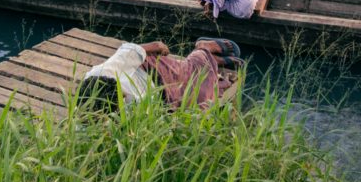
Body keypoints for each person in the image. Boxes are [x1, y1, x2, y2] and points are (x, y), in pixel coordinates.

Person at [76, 37, 242, 111]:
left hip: (153, 72)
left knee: (191, 71)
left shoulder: (107, 70)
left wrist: (158, 47)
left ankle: (203, 49)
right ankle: (212, 62)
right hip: (161, 98)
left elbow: (132, 49)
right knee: (198, 101)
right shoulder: (88, 112)